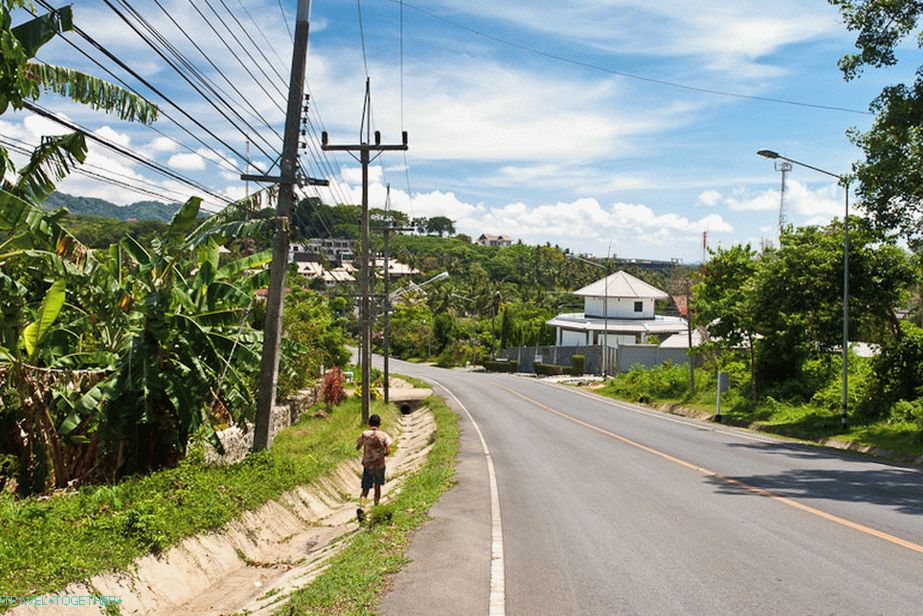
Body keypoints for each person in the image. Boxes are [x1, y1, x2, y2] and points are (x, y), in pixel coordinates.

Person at [356, 414, 392, 520]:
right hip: (379, 465)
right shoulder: (384, 435)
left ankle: (362, 508)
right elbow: (389, 450)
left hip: (368, 465)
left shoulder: (365, 434)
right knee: (377, 487)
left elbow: (358, 447)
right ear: (380, 424)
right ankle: (376, 508)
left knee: (365, 488)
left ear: (369, 424)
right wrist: (383, 455)